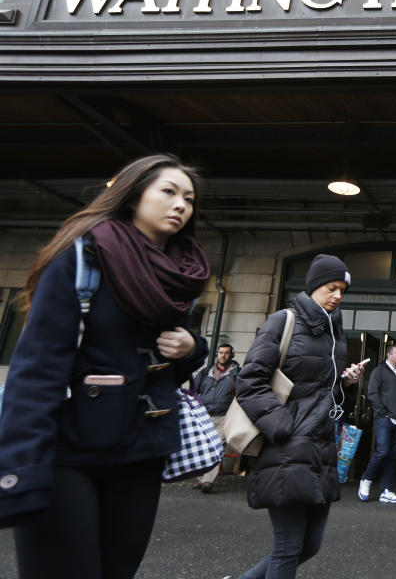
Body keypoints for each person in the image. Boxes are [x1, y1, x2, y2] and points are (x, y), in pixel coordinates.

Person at [0, 154, 210, 579]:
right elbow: (37, 367)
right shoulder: (84, 257)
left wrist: (191, 350)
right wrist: (18, 465)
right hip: (68, 448)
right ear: (132, 195)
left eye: (188, 198)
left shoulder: (178, 273)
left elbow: (159, 364)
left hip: (140, 450)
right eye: (168, 192)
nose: (181, 205)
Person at [229, 254, 364, 579]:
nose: (338, 296)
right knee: (289, 547)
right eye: (332, 287)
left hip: (320, 447)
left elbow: (319, 390)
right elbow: (249, 381)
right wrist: (281, 426)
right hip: (286, 447)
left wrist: (344, 383)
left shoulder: (336, 333)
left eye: (343, 290)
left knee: (309, 545)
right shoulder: (283, 321)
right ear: (314, 286)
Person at [358, 345, 396, 505]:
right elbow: (372, 393)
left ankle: (387, 490)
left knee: (393, 455)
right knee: (383, 451)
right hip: (384, 419)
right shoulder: (379, 371)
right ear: (389, 355)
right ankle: (366, 479)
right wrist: (383, 412)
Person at [192, 343, 241, 493]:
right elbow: (194, 390)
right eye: (221, 352)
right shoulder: (206, 372)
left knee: (216, 447)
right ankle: (202, 478)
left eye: (226, 353)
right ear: (217, 354)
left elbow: (243, 394)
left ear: (231, 355)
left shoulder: (237, 374)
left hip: (224, 416)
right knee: (203, 448)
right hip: (205, 416)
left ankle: (208, 481)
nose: (223, 355)